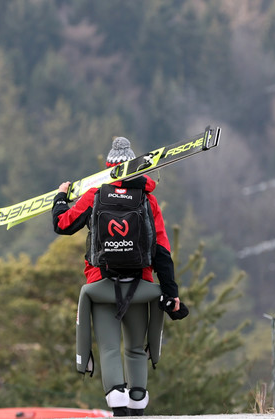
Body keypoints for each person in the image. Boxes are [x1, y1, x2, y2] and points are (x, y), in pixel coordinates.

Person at [51, 136, 184, 416]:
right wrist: (171, 291)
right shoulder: (149, 200)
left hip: (101, 285)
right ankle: (137, 407)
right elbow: (161, 250)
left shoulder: (95, 196)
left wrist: (61, 197)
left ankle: (118, 408)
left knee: (110, 349)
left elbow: (62, 225)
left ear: (110, 169)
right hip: (140, 286)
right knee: (135, 349)